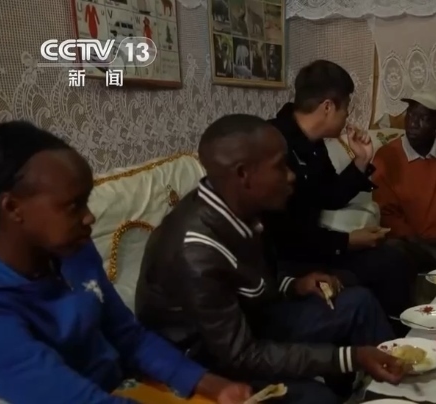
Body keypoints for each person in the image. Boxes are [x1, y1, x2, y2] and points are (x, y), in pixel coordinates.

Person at [135, 114, 405, 404]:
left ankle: (401, 388)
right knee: (317, 399)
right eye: (280, 166)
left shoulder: (239, 205)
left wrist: (294, 285)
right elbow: (242, 355)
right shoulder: (196, 253)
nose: (291, 175)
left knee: (359, 304)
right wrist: (352, 357)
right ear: (243, 174)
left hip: (250, 320)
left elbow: (251, 280)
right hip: (207, 360)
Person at [0, 121, 250, 404]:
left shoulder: (72, 251)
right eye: (73, 206)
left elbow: (128, 335)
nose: (89, 217)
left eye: (87, 201)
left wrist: (211, 384)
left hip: (122, 385)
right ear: (12, 207)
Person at [262, 60, 414, 325]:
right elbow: (283, 233)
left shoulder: (313, 141)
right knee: (385, 266)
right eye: (346, 107)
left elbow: (329, 195)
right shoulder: (272, 142)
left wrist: (360, 160)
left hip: (314, 247)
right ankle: (389, 335)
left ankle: (400, 332)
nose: (347, 116)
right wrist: (347, 241)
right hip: (286, 261)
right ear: (328, 107)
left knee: (395, 256)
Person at [372, 92, 436, 270]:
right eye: (410, 114)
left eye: (423, 118)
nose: (413, 123)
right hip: (408, 244)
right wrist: (423, 248)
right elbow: (387, 213)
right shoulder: (387, 156)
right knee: (391, 252)